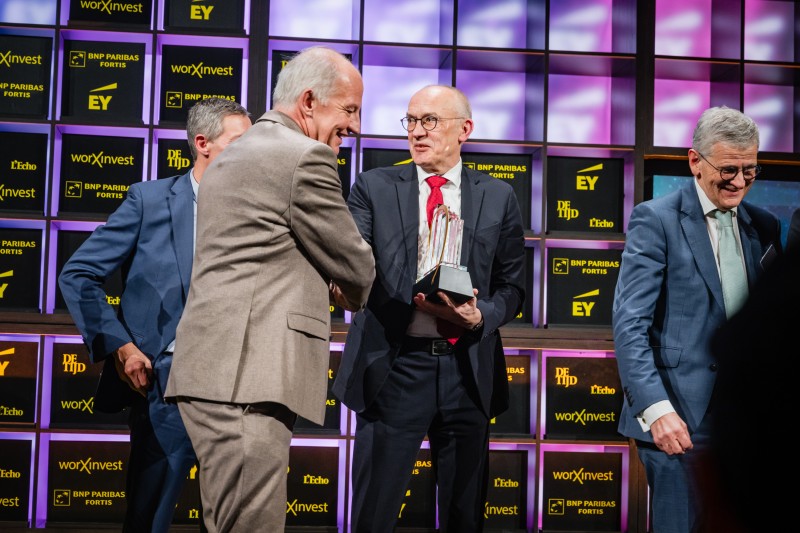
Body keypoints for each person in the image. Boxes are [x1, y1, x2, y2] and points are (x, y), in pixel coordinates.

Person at [163, 46, 376, 533]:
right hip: (247, 378)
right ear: (308, 101)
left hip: (215, 372)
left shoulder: (234, 154)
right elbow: (357, 266)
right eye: (348, 109)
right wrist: (346, 287)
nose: (355, 125)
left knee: (229, 521)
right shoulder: (303, 156)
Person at [332, 84, 526, 532]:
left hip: (467, 370)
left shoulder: (499, 195)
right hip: (394, 366)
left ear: (464, 129)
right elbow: (353, 265)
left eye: (430, 121)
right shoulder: (374, 187)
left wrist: (481, 316)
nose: (417, 132)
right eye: (412, 121)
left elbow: (513, 288)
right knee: (374, 513)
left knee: (464, 514)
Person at [58, 97, 252, 533]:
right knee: (150, 518)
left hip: (241, 384)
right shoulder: (149, 200)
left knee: (234, 520)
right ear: (202, 143)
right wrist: (123, 347)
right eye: (239, 142)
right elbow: (79, 274)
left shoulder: (260, 210)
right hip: (166, 384)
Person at [612, 106, 782, 533]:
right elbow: (630, 324)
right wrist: (656, 410)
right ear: (695, 161)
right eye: (728, 170)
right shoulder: (656, 219)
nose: (740, 182)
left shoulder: (763, 226)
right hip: (680, 419)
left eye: (750, 169)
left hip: (746, 422)